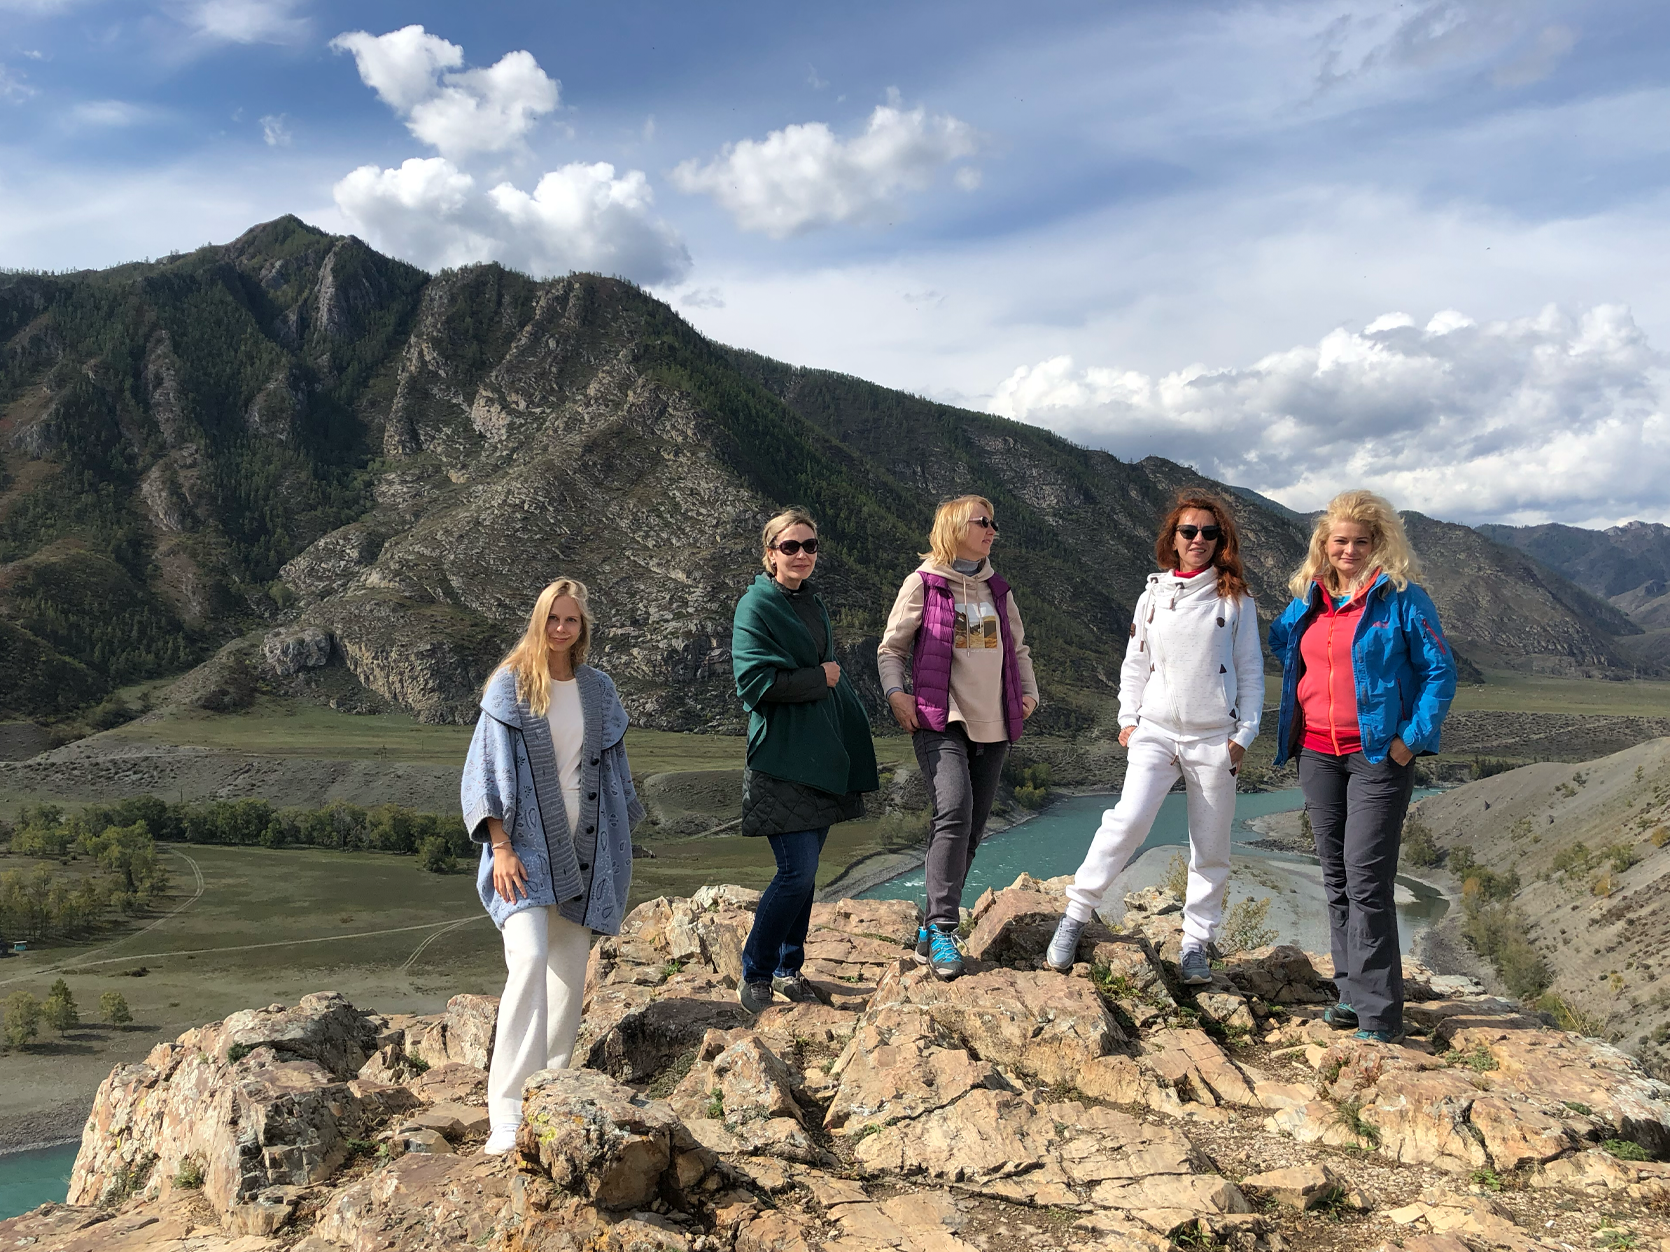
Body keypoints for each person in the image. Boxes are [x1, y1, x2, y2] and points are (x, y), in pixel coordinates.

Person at [1044, 492, 1262, 985]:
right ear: (1174, 538)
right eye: (1189, 531)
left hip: (1215, 739)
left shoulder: (1236, 600)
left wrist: (1244, 735)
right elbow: (1136, 663)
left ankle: (1195, 944)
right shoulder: (1152, 597)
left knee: (1210, 845)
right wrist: (1129, 720)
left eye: (1209, 532)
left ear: (1221, 541)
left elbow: (1251, 669)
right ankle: (1075, 915)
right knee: (1127, 822)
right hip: (1156, 732)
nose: (1199, 539)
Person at [460, 578, 643, 1155]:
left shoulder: (598, 689)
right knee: (529, 957)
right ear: (538, 621)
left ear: (582, 627)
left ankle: (552, 1089)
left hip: (585, 842)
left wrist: (618, 833)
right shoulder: (511, 685)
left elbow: (612, 766)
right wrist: (500, 846)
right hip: (524, 847)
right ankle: (507, 1110)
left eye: (572, 620)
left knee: (568, 970)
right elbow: (485, 768)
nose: (561, 628)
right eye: (553, 618)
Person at [1269, 490, 1456, 1044]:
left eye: (1360, 541)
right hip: (1317, 752)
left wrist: (1410, 740)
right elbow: (1281, 641)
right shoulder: (1310, 599)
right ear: (1324, 545)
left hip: (1377, 755)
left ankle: (1379, 1016)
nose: (1349, 550)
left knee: (1367, 879)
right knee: (1336, 877)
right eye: (1340, 541)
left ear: (1379, 544)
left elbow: (1439, 672)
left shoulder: (1402, 599)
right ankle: (1350, 994)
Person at [878, 494, 1039, 980]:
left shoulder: (998, 590)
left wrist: (1029, 695)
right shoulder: (923, 583)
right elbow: (892, 649)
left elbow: (1019, 649)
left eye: (993, 523)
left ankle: (931, 923)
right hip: (940, 717)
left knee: (971, 827)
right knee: (954, 810)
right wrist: (896, 695)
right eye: (982, 522)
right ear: (953, 527)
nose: (992, 530)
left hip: (995, 722)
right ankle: (945, 928)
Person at [731, 508, 879, 1015]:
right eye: (790, 546)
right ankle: (756, 972)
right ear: (770, 553)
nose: (801, 555)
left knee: (807, 874)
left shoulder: (812, 603)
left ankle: (788, 967)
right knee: (796, 871)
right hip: (781, 758)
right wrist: (821, 677)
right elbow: (754, 683)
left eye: (810, 546)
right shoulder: (755, 606)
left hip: (819, 756)